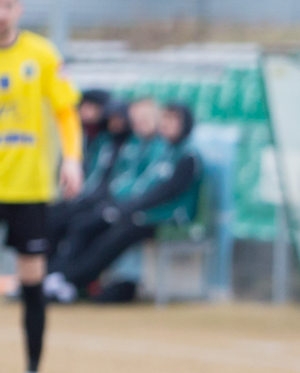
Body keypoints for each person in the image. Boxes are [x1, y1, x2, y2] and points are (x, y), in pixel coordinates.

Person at [0, 0, 82, 373]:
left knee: (32, 281)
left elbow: (66, 113)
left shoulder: (42, 55)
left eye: (7, 4)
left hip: (29, 188)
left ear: (19, 8)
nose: (1, 13)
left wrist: (71, 158)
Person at [46, 103, 201, 300]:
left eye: (174, 120)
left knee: (117, 231)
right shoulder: (164, 151)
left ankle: (71, 280)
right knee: (87, 223)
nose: (168, 124)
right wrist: (123, 207)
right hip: (140, 212)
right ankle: (59, 276)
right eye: (166, 119)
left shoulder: (188, 156)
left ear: (185, 124)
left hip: (168, 218)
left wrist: (127, 208)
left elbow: (167, 193)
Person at [47, 96, 159, 290]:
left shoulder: (157, 148)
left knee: (88, 228)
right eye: (137, 118)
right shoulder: (122, 144)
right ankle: (52, 277)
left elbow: (154, 189)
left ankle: (69, 281)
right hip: (117, 205)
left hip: (140, 213)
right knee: (58, 218)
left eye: (145, 118)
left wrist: (119, 208)